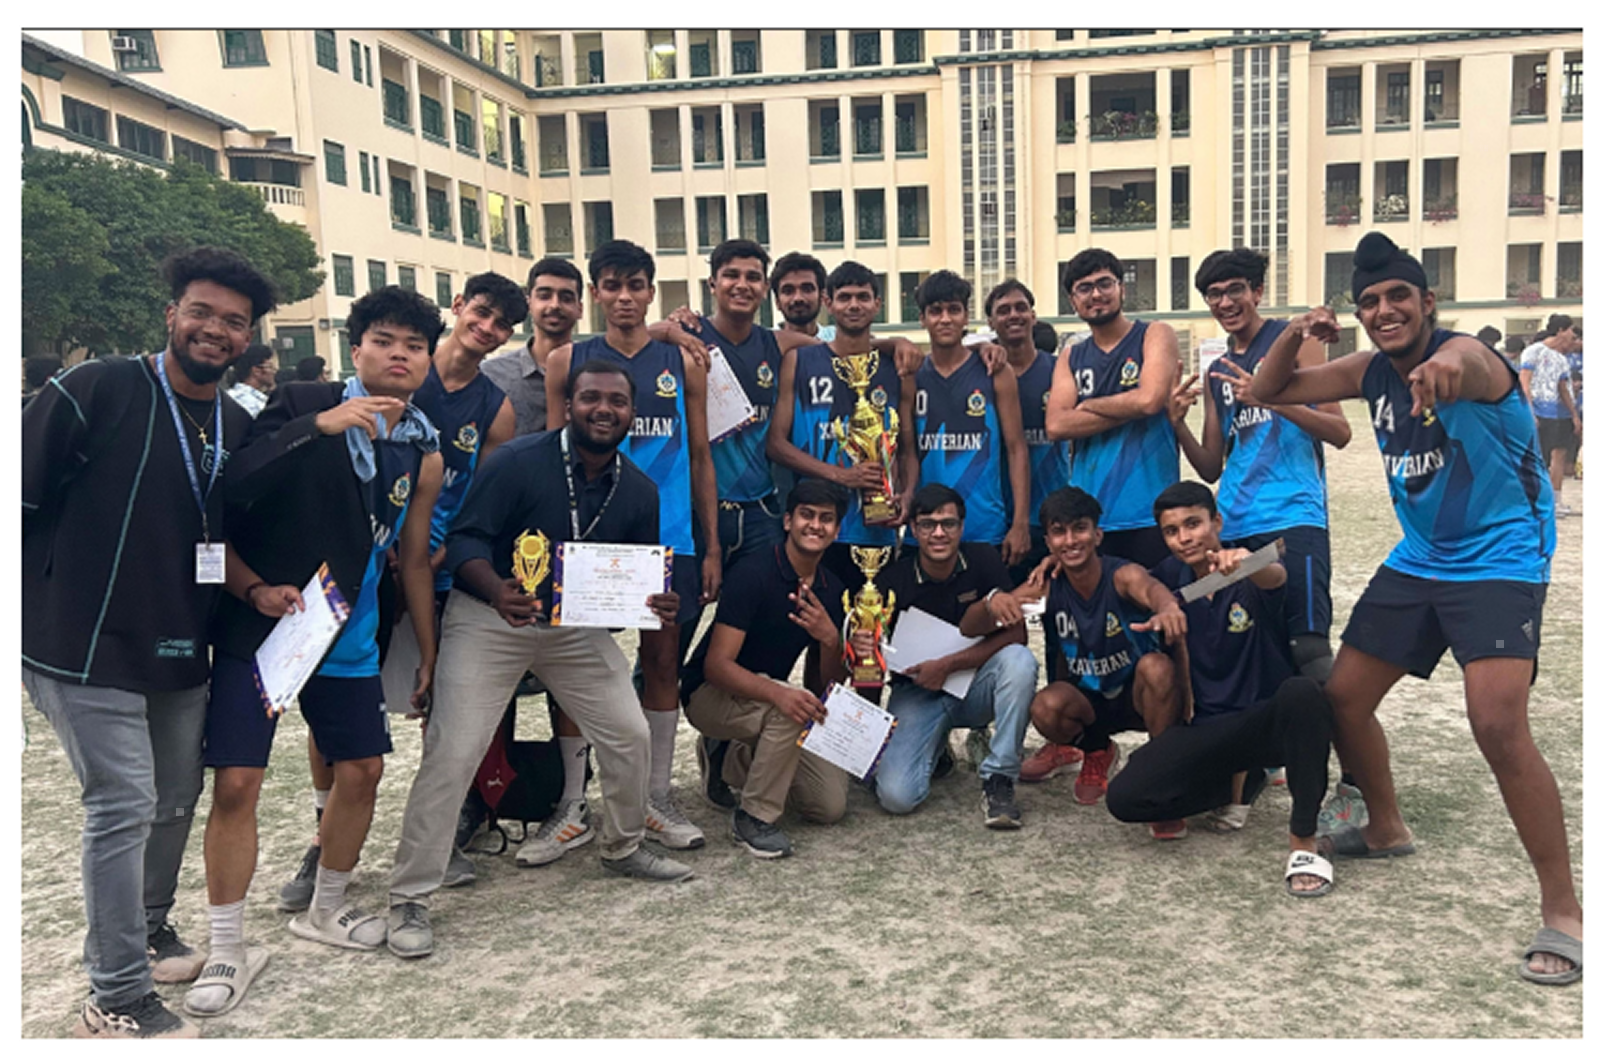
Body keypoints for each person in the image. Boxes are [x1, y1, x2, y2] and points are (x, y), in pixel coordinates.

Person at [1250, 230, 1581, 985]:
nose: (1384, 309)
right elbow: (1269, 391)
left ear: (1429, 302)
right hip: (1421, 558)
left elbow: (1467, 365)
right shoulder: (1370, 370)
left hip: (1500, 557)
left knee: (1497, 725)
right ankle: (1387, 826)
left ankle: (1564, 910)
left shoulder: (1472, 358)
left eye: (1399, 296)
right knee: (1343, 698)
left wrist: (1441, 367)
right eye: (1370, 301)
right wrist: (1296, 334)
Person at [22, 246, 277, 1038]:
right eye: (201, 312)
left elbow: (218, 532)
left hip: (179, 641)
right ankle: (116, 995)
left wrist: (255, 591)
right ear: (171, 315)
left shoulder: (236, 421)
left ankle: (149, 926)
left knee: (174, 798)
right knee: (123, 804)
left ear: (247, 339)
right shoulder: (96, 387)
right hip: (81, 642)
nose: (215, 330)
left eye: (233, 322)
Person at [185, 285, 443, 1016]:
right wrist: (319, 428)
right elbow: (236, 484)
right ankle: (227, 946)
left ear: (428, 360)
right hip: (267, 625)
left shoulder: (422, 448)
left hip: (348, 634)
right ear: (355, 348)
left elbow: (412, 558)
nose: (399, 355)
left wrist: (426, 650)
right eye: (383, 341)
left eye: (414, 346)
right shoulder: (303, 402)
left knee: (362, 770)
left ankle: (326, 909)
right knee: (238, 783)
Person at [386, 360, 696, 960]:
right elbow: (466, 541)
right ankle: (410, 895)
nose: (603, 410)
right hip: (490, 617)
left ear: (633, 414)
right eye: (590, 398)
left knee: (630, 733)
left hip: (571, 630)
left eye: (617, 402)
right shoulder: (517, 461)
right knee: (453, 750)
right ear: (569, 404)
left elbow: (627, 581)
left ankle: (623, 846)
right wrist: (495, 589)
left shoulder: (639, 489)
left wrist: (652, 601)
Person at [1168, 248, 1359, 826]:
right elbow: (1210, 465)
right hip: (1235, 526)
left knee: (1309, 653)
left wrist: (1275, 397)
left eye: (1235, 289)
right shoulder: (1219, 367)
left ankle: (1355, 782)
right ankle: (1256, 769)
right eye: (1214, 294)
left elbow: (1339, 431)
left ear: (1257, 290)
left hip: (1294, 519)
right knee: (1253, 650)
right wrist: (1175, 422)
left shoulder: (1294, 342)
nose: (1225, 302)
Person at [545, 239, 719, 853]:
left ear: (651, 291)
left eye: (636, 285)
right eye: (612, 285)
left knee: (663, 665)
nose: (624, 297)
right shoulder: (567, 360)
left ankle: (655, 797)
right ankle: (572, 803)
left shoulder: (684, 360)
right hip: (589, 543)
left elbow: (701, 455)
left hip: (668, 540)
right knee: (574, 669)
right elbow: (551, 459)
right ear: (596, 293)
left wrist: (711, 547)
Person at [1099, 482, 1336, 894]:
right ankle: (1237, 783)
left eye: (1193, 524)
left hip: (1265, 723)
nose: (1184, 538)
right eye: (1171, 531)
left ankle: (1304, 842)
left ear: (1217, 522)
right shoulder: (1169, 578)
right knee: (1125, 797)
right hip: (1210, 730)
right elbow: (1123, 578)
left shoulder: (1248, 566)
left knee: (1304, 694)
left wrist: (1246, 564)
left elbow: (1275, 576)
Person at [681, 478, 853, 857]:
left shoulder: (832, 589)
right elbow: (716, 667)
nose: (815, 525)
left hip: (764, 701)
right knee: (790, 707)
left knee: (828, 805)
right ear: (788, 521)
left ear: (837, 530)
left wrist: (830, 640)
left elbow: (828, 686)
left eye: (826, 519)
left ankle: (727, 758)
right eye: (806, 515)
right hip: (709, 694)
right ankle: (753, 818)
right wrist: (779, 693)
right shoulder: (753, 572)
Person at [998, 487, 1188, 826]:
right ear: (1049, 541)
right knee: (1045, 706)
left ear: (1098, 534)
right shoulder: (1048, 583)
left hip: (1138, 697)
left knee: (1157, 667)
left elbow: (1150, 588)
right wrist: (993, 602)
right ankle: (1097, 751)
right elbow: (989, 617)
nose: (1071, 540)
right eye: (1059, 532)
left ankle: (1160, 776)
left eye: (1080, 529)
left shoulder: (1121, 575)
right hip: (1088, 701)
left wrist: (1167, 607)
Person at [866, 485, 1040, 828]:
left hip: (975, 686)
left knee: (1019, 660)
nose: (939, 533)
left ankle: (999, 779)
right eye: (927, 524)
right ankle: (935, 748)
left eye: (948, 523)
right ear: (913, 529)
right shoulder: (892, 580)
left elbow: (1016, 634)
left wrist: (948, 666)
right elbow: (873, 655)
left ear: (962, 526)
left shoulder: (984, 559)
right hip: (917, 693)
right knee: (897, 797)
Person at [769, 261, 921, 595]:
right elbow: (776, 444)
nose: (854, 305)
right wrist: (841, 475)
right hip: (815, 525)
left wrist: (908, 495)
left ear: (877, 304)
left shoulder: (896, 368)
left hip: (875, 527)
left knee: (869, 620)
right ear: (829, 302)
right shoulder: (799, 360)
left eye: (863, 297)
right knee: (810, 621)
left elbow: (908, 448)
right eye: (845, 297)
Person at [1046, 248, 1181, 568]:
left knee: (1158, 597)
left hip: (1151, 510)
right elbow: (1056, 425)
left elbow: (1150, 400)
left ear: (1122, 288)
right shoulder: (1071, 355)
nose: (1096, 294)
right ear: (1073, 301)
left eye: (1104, 283)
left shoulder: (1154, 333)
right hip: (1091, 519)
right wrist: (1129, 405)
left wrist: (1090, 405)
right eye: (1084, 288)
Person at [910, 271, 1031, 566]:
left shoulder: (994, 371)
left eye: (954, 310)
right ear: (922, 319)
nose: (945, 319)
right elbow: (906, 452)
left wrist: (1020, 523)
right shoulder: (911, 376)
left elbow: (1016, 449)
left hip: (984, 527)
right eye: (935, 311)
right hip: (926, 530)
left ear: (966, 316)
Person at [985, 279, 1071, 586]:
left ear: (1033, 316)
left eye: (1021, 308)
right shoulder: (982, 374)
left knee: (1055, 603)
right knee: (1003, 605)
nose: (1013, 315)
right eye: (1003, 310)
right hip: (999, 518)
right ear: (990, 322)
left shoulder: (1060, 370)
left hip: (1053, 514)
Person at [482, 258, 587, 437]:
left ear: (580, 309)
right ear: (529, 303)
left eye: (566, 298)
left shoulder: (596, 371)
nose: (555, 305)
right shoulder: (492, 375)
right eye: (544, 296)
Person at [1518, 314, 1581, 516]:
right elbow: (1525, 382)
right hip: (1538, 411)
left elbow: (1563, 388)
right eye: (1570, 330)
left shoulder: (1560, 359)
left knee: (1558, 455)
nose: (1572, 334)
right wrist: (1529, 411)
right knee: (1538, 459)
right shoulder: (1533, 351)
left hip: (1556, 413)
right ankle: (1532, 501)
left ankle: (1555, 500)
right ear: (1561, 330)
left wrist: (1573, 414)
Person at [771, 251, 835, 341]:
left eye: (807, 289)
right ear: (777, 301)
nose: (798, 298)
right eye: (788, 291)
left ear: (821, 297)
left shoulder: (839, 341)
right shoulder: (762, 343)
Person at [224, 343, 277, 418]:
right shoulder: (256, 405)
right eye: (271, 366)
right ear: (256, 371)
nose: (274, 371)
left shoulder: (226, 397)